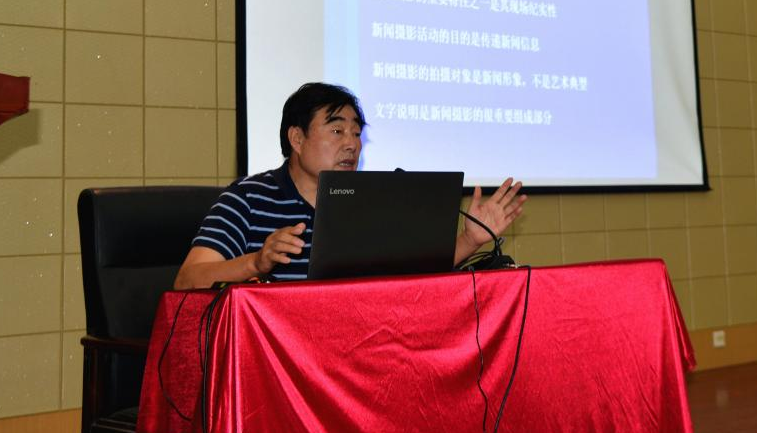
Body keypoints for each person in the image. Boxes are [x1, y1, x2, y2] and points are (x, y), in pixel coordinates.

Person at [174, 83, 526, 289]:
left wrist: (469, 241)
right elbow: (188, 279)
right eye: (337, 130)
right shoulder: (247, 198)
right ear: (297, 138)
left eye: (357, 133)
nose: (352, 144)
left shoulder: (370, 200)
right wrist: (257, 262)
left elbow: (409, 274)